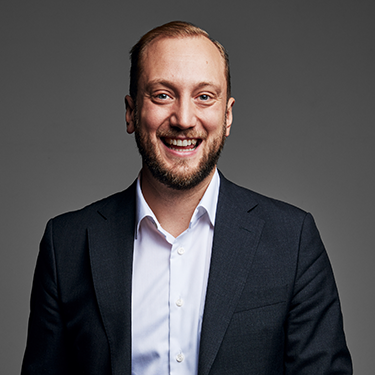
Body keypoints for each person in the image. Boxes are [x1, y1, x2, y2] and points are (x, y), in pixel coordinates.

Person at [22, 21, 352, 374]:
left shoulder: (293, 240)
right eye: (163, 95)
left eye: (204, 97)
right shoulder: (67, 244)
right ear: (131, 112)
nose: (183, 119)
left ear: (227, 115)